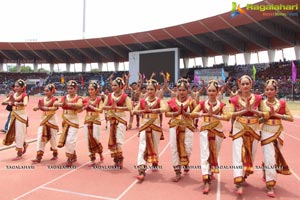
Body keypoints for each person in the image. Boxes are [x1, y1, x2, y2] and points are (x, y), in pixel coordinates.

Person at [228, 75, 267, 195]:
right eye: (243, 84)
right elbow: (230, 114)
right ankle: (238, 182)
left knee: (251, 154)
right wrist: (243, 111)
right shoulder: (234, 100)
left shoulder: (259, 99)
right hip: (239, 128)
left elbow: (266, 114)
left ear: (251, 84)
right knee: (238, 154)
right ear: (239, 85)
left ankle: (243, 175)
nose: (245, 86)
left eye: (247, 84)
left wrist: (255, 112)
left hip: (254, 129)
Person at [191, 80, 230, 194]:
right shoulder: (203, 104)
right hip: (205, 131)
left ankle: (211, 170)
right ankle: (206, 179)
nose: (211, 93)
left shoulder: (221, 105)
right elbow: (193, 114)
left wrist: (216, 116)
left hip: (217, 131)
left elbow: (227, 117)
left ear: (218, 92)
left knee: (214, 153)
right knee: (205, 154)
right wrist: (204, 114)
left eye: (214, 91)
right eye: (209, 91)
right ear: (207, 91)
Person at [261, 79, 293, 197]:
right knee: (270, 158)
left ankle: (265, 169)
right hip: (265, 132)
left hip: (278, 132)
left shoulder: (282, 104)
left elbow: (291, 118)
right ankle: (270, 185)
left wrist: (277, 115)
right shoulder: (261, 103)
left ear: (276, 91)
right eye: (267, 89)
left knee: (273, 157)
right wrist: (265, 117)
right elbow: (258, 119)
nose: (269, 91)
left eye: (271, 89)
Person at [132, 79, 166, 182]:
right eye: (148, 89)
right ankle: (141, 169)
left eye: (152, 89)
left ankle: (155, 161)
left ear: (156, 90)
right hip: (144, 126)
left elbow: (165, 109)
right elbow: (133, 111)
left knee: (154, 145)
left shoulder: (159, 101)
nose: (150, 91)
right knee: (142, 146)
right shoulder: (142, 101)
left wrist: (152, 110)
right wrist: (143, 111)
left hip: (155, 126)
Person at [165, 78, 197, 182]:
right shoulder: (172, 102)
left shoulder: (192, 102)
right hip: (174, 127)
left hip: (187, 127)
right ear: (177, 90)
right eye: (180, 90)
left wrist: (188, 114)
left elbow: (196, 113)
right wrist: (176, 113)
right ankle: (177, 171)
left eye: (184, 90)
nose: (181, 92)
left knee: (188, 148)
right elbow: (166, 113)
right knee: (174, 148)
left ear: (187, 90)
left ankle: (185, 161)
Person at [102, 77, 132, 169]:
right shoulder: (109, 96)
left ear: (121, 86)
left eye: (115, 85)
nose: (113, 87)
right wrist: (111, 107)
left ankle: (120, 158)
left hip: (121, 119)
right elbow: (103, 106)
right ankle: (116, 159)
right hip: (111, 121)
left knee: (118, 141)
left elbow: (130, 108)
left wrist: (117, 108)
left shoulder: (125, 97)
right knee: (112, 140)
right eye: (112, 85)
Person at [54, 80, 83, 166]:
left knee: (71, 140)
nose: (70, 90)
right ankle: (73, 154)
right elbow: (55, 103)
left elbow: (80, 105)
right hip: (65, 121)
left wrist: (69, 104)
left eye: (71, 88)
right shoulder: (64, 97)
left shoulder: (78, 98)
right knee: (67, 140)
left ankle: (69, 158)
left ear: (76, 89)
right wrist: (61, 104)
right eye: (68, 88)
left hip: (74, 122)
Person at [2, 79, 29, 160]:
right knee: (12, 132)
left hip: (21, 116)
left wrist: (16, 103)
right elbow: (3, 102)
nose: (16, 88)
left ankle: (19, 152)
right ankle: (24, 144)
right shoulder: (12, 95)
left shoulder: (25, 95)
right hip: (14, 115)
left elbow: (25, 103)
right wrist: (9, 103)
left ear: (22, 88)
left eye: (18, 86)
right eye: (15, 86)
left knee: (19, 133)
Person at [32, 84, 59, 163]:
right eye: (45, 90)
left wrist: (47, 108)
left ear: (52, 91)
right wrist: (37, 108)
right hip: (43, 120)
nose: (45, 92)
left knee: (53, 138)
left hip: (52, 120)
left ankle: (55, 152)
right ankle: (39, 156)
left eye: (47, 91)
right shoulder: (42, 100)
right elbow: (37, 107)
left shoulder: (55, 99)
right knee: (40, 136)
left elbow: (56, 108)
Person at [81, 81, 104, 167]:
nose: (90, 91)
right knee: (88, 140)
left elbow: (101, 110)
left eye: (92, 89)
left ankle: (100, 152)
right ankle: (92, 158)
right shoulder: (85, 99)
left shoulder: (99, 99)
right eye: (89, 89)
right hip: (87, 120)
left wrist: (91, 106)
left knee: (95, 138)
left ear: (96, 90)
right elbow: (79, 110)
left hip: (96, 120)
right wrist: (83, 107)